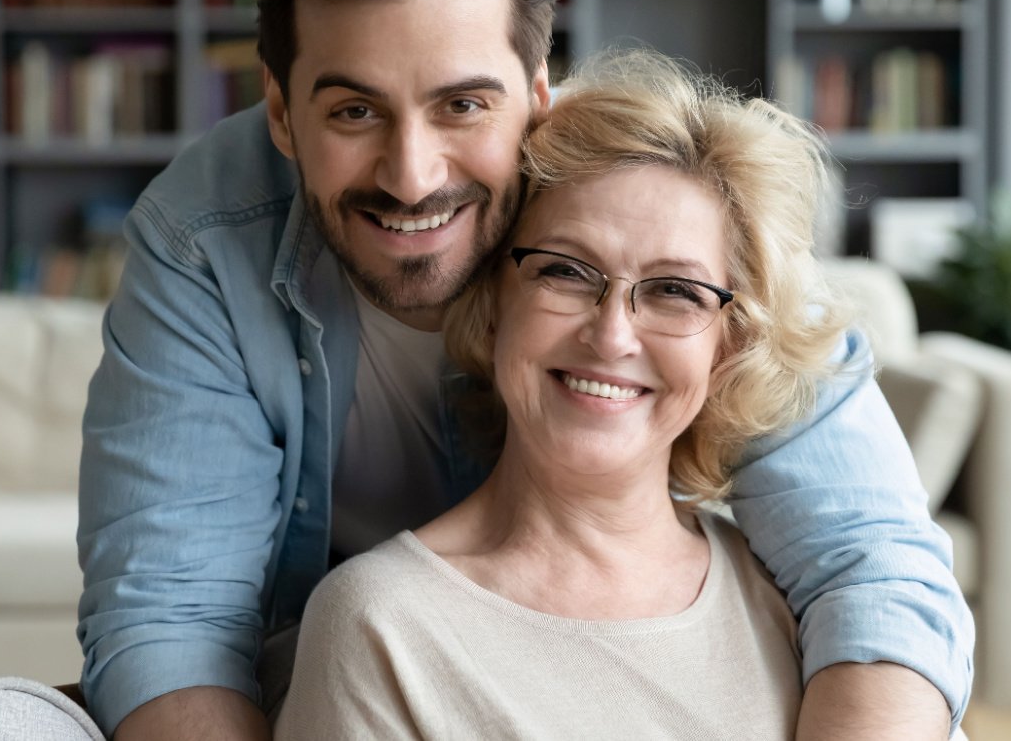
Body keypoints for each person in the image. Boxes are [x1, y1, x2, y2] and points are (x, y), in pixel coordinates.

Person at [77, 0, 972, 741]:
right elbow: (171, 620)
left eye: (463, 104)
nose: (413, 176)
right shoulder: (205, 236)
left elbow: (873, 565)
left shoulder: (668, 205)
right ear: (280, 112)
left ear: (539, 91)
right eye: (354, 112)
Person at [277, 49, 848, 739]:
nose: (611, 337)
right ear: (492, 306)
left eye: (674, 291)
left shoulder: (801, 604)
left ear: (726, 347)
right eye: (566, 273)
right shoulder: (381, 626)